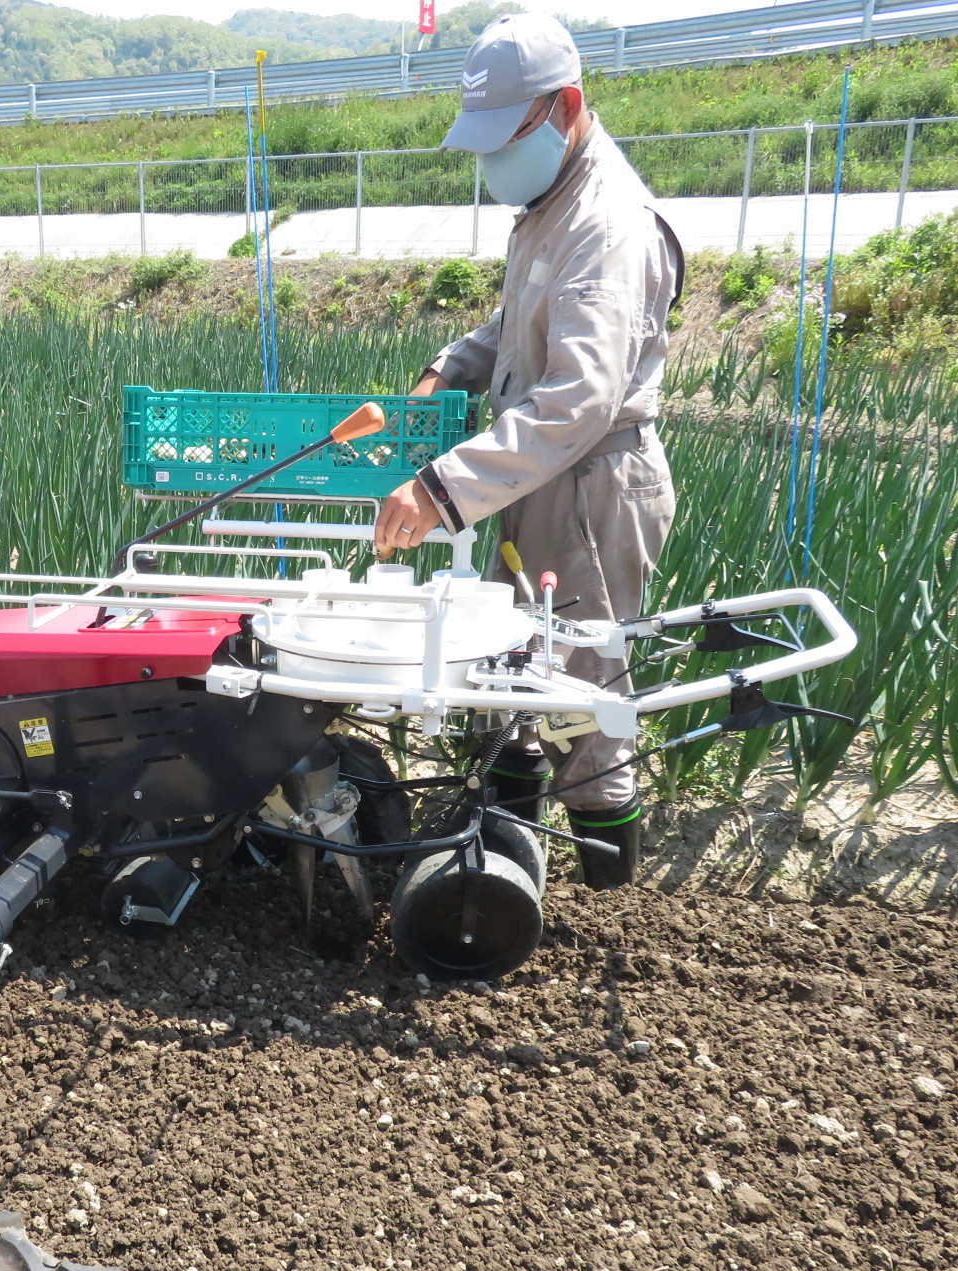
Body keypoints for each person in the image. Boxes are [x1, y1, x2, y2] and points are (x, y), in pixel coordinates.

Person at [372, 12, 682, 891]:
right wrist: (451, 366)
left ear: (566, 108)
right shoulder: (550, 204)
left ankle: (608, 892)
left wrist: (441, 486)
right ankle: (505, 856)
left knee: (583, 688)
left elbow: (580, 397)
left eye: (505, 138)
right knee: (510, 671)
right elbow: (520, 326)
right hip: (531, 470)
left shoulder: (610, 224)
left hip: (587, 484)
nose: (491, 164)